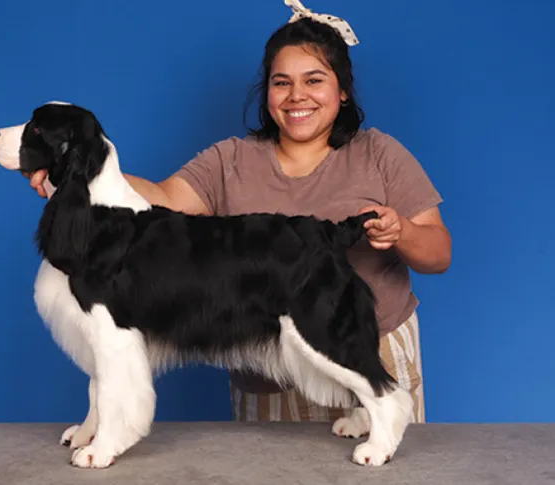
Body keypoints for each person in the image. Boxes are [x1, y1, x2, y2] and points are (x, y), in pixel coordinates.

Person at [25, 6, 451, 426]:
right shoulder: (230, 158)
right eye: (281, 82)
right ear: (266, 92)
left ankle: (381, 412)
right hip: (267, 373)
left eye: (314, 80)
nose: (297, 95)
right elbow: (161, 198)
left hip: (371, 347)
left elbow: (439, 254)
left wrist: (401, 231)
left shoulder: (380, 153)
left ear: (343, 91)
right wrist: (77, 175)